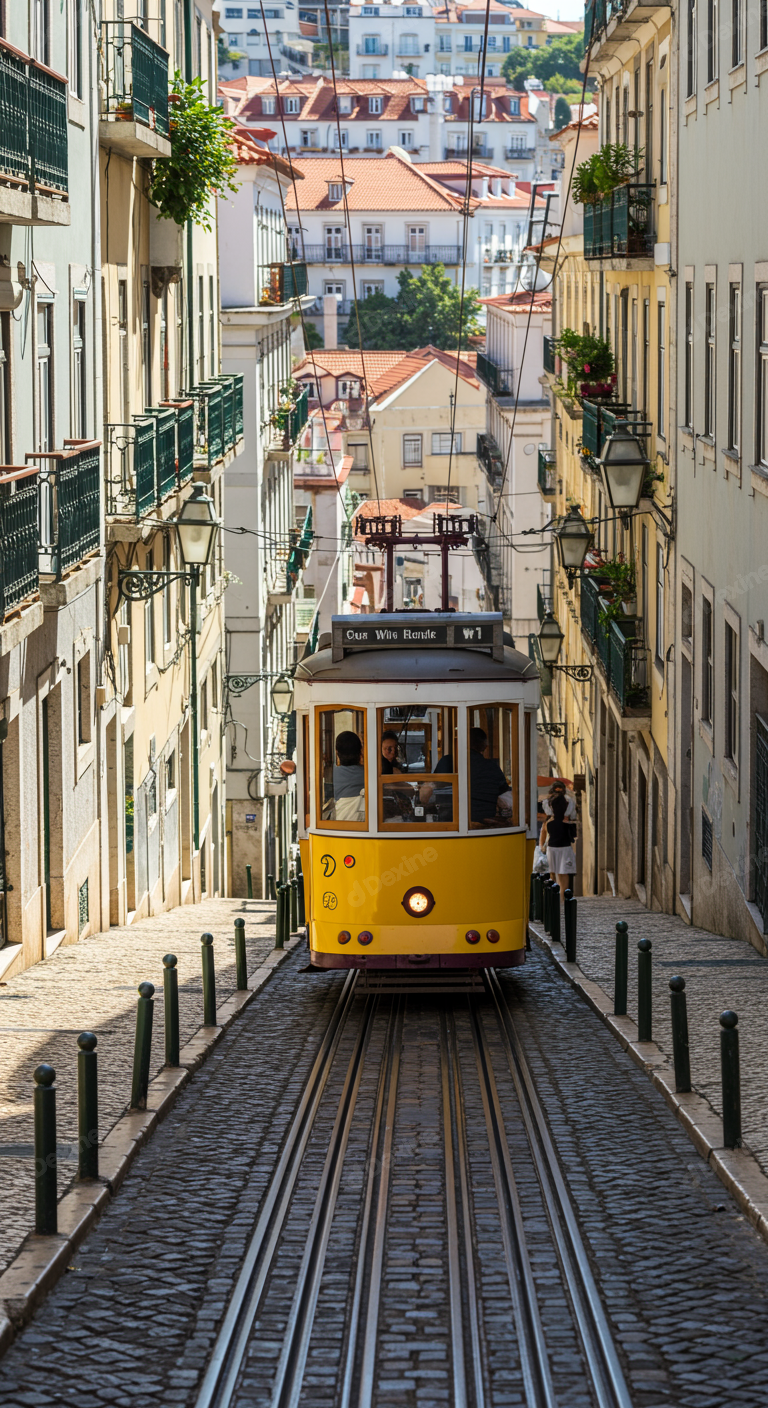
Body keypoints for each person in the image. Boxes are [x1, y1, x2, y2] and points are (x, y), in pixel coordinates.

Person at [466, 727, 510, 826]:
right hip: (486, 825)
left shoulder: (449, 763)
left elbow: (428, 790)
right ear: (484, 746)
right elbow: (505, 795)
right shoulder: (491, 767)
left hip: (450, 824)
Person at [539, 788, 577, 895]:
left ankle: (556, 897)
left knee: (555, 874)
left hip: (554, 848)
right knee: (562, 874)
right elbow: (573, 835)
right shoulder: (565, 822)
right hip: (563, 847)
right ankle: (562, 898)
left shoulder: (550, 822)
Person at [331, 730, 365, 822]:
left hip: (341, 828)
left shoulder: (332, 775)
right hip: (366, 827)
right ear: (360, 751)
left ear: (337, 752)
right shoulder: (369, 774)